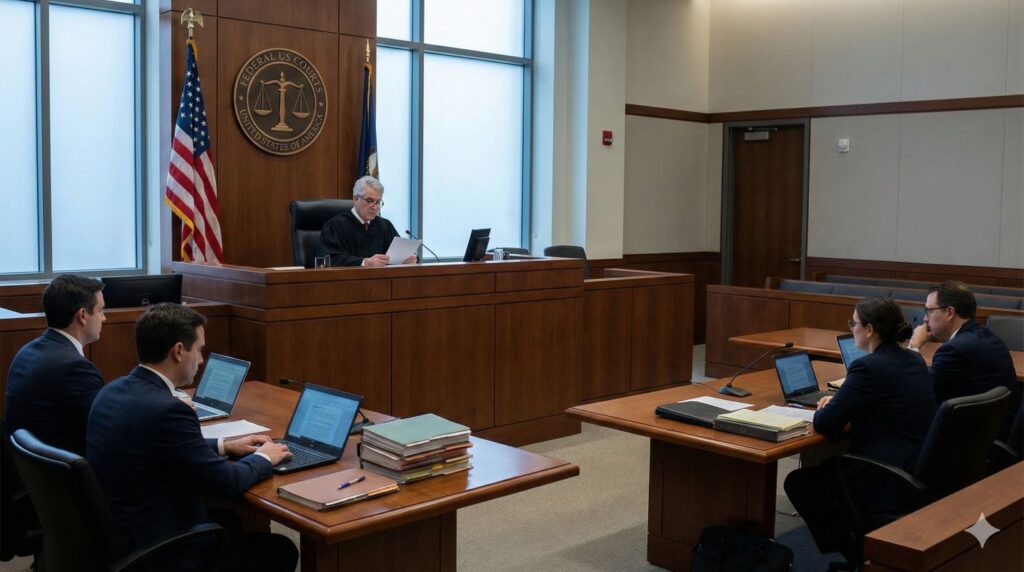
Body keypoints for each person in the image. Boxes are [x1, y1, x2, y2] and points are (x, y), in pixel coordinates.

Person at [87, 303, 296, 572]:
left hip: (119, 532)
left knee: (229, 520)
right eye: (198, 350)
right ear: (178, 351)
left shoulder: (111, 391)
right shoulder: (169, 409)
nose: (200, 360)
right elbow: (226, 483)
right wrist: (263, 458)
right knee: (280, 549)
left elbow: (157, 445)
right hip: (162, 550)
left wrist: (225, 445)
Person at [784, 297, 936, 565]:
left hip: (883, 473)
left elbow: (825, 424)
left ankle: (860, 556)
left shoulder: (867, 367)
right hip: (916, 465)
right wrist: (848, 402)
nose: (850, 328)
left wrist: (829, 405)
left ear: (869, 329)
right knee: (827, 469)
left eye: (853, 323)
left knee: (799, 482)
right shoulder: (913, 360)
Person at [4, 274, 106, 455]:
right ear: (82, 315)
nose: (104, 318)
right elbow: (106, 427)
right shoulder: (74, 368)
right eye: (100, 311)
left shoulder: (27, 351)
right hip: (70, 474)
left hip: (32, 470)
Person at [908, 280, 1019, 435]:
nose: (925, 319)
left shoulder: (953, 350)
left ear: (949, 313)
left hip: (969, 437)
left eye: (929, 311)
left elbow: (919, 393)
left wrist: (914, 346)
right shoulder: (988, 336)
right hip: (995, 430)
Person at [316, 175, 417, 267]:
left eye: (378, 202)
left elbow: (398, 254)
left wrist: (407, 259)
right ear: (356, 199)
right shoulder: (335, 225)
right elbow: (329, 260)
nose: (375, 207)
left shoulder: (385, 225)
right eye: (370, 201)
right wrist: (365, 262)